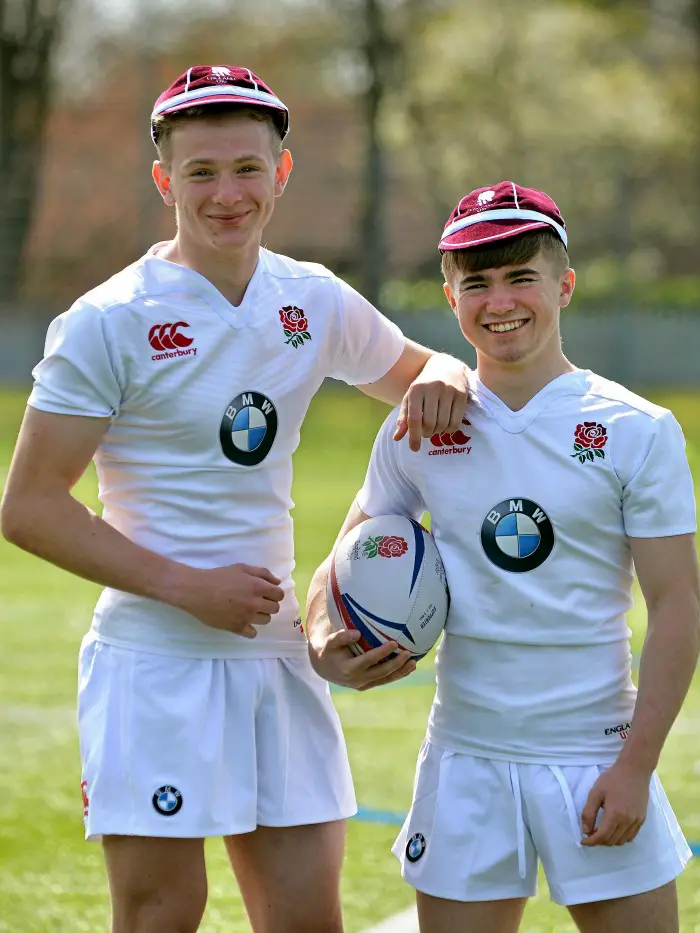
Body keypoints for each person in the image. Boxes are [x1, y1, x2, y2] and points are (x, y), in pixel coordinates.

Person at [0, 65, 470, 933]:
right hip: (155, 663)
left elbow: (423, 369)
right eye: (202, 171)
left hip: (278, 654)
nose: (227, 193)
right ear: (164, 180)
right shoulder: (109, 319)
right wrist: (185, 585)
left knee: (304, 920)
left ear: (280, 173)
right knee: (160, 915)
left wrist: (442, 375)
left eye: (248, 168)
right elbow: (27, 506)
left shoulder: (311, 298)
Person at [306, 181, 700, 933]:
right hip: (467, 755)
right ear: (450, 296)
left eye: (522, 276)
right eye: (476, 282)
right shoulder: (416, 427)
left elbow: (679, 604)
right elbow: (346, 554)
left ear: (565, 285)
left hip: (597, 750)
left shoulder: (637, 430)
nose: (500, 301)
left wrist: (637, 766)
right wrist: (327, 645)